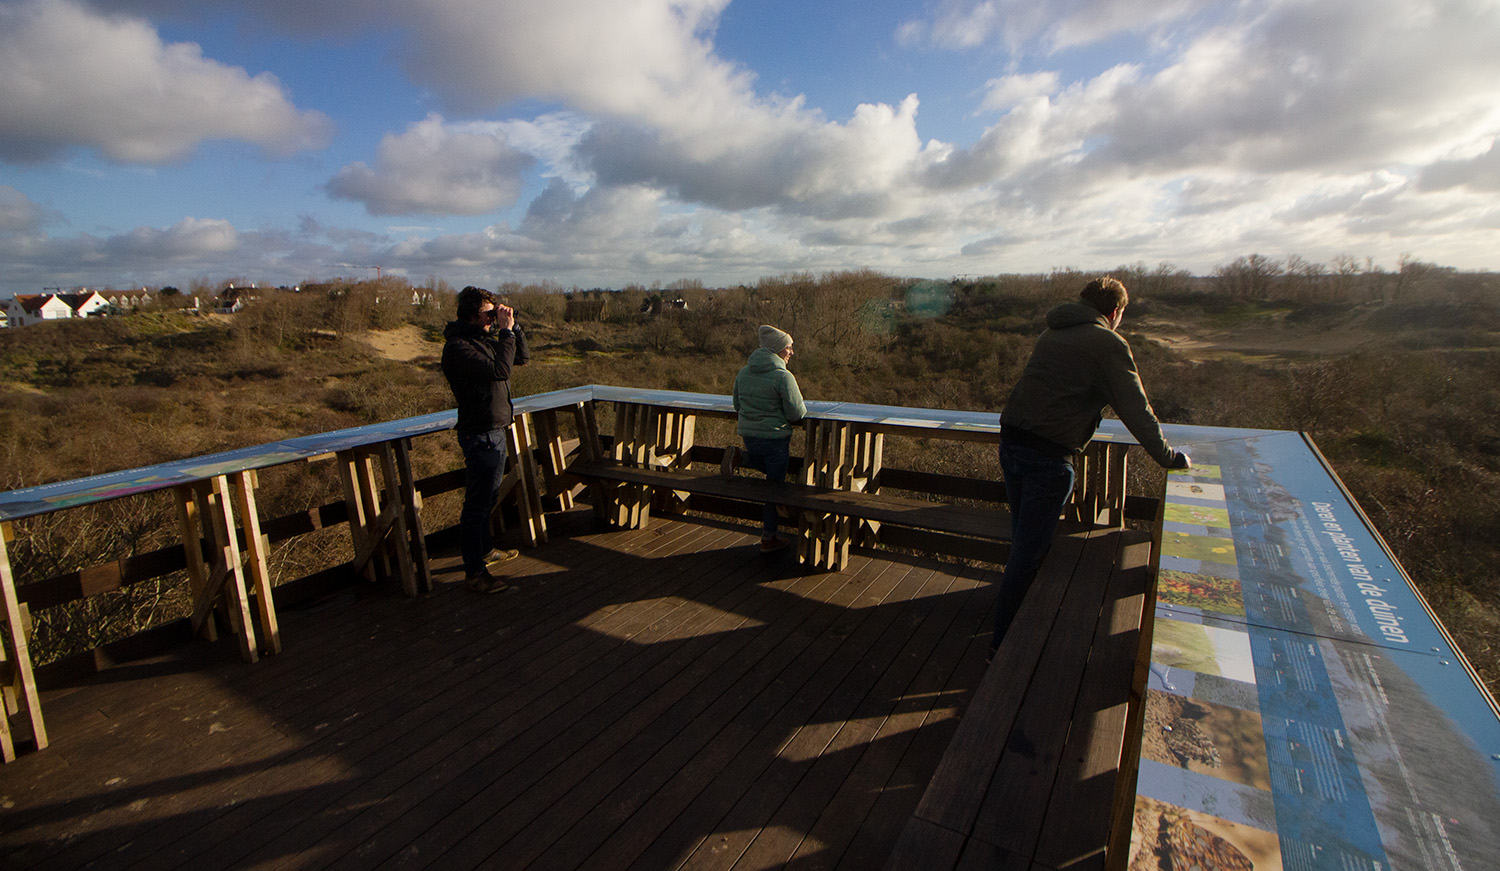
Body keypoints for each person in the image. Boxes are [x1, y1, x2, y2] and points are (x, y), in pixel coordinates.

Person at [992, 276, 1189, 653]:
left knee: (1023, 545)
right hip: (1047, 458)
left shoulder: (1051, 334)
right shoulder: (1107, 343)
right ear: (1114, 312)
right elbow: (1136, 410)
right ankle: (1005, 646)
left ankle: (1008, 630)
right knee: (1028, 554)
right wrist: (1169, 457)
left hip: (1013, 443)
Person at [441, 286, 530, 593]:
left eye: (496, 312)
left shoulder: (481, 340)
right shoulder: (458, 347)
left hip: (495, 429)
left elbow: (522, 358)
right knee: (477, 504)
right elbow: (501, 371)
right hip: (479, 433)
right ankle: (474, 572)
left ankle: (486, 550)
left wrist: (514, 328)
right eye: (488, 313)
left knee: (488, 498)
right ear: (471, 314)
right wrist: (505, 332)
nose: (494, 318)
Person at [725, 324, 807, 553]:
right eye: (789, 348)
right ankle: (769, 538)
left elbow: (737, 405)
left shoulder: (743, 373)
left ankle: (742, 457)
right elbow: (797, 413)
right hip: (775, 439)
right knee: (774, 488)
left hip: (750, 436)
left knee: (770, 472)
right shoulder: (783, 377)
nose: (791, 352)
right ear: (778, 350)